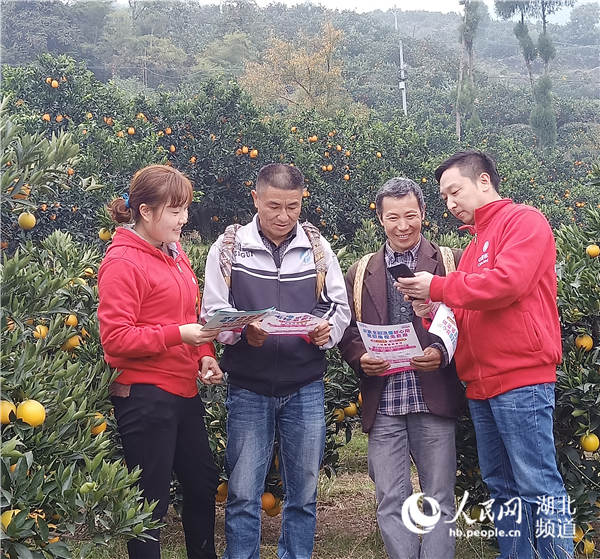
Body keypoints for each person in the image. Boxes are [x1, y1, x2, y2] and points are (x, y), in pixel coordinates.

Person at [395, 151, 574, 559]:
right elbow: (462, 311)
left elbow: (506, 284)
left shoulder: (524, 222)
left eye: (454, 191)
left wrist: (439, 287)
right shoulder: (475, 245)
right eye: (443, 198)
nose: (450, 202)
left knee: (538, 483)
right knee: (503, 487)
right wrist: (432, 312)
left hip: (521, 378)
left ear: (484, 183)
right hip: (480, 385)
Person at [201, 163, 350, 559]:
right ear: (255, 199)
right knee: (244, 493)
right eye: (274, 207)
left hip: (305, 386)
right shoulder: (229, 248)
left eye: (293, 207)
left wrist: (325, 332)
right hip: (249, 388)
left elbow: (338, 306)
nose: (284, 216)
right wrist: (243, 333)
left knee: (303, 492)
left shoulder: (316, 248)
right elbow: (213, 311)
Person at [97, 164, 223, 559]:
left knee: (201, 481)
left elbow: (191, 315)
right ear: (145, 211)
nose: (183, 219)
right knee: (150, 500)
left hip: (182, 388)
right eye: (174, 211)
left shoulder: (173, 253)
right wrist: (177, 336)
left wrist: (204, 355)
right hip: (144, 396)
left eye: (184, 209)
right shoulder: (123, 263)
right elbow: (115, 341)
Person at [338, 177, 464, 559]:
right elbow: (345, 329)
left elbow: (465, 318)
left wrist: (441, 352)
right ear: (380, 218)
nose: (403, 225)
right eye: (393, 217)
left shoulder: (448, 261)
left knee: (439, 495)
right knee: (390, 496)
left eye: (411, 215)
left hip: (432, 394)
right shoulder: (361, 271)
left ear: (424, 214)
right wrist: (361, 357)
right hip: (385, 399)